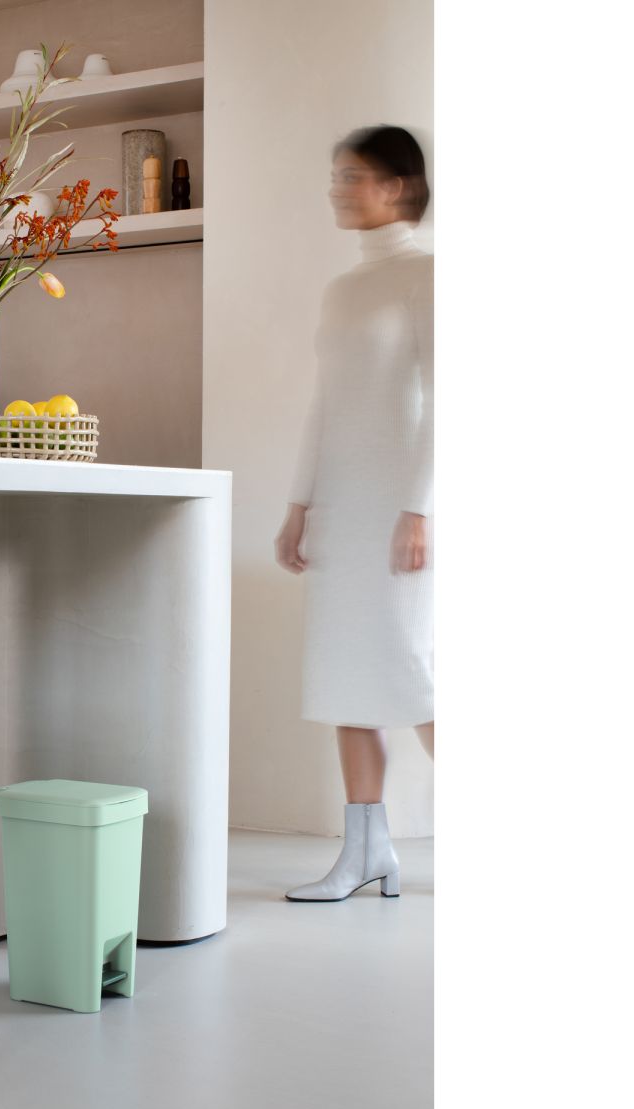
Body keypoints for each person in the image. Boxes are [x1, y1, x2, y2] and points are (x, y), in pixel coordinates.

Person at [274, 125, 433, 902]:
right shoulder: (343, 291)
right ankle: (365, 855)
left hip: (401, 514)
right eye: (336, 175)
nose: (338, 188)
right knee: (347, 680)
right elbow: (326, 406)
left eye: (352, 176)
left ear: (395, 186)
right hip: (342, 510)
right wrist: (298, 507)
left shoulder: (430, 276)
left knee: (419, 678)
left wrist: (419, 510)